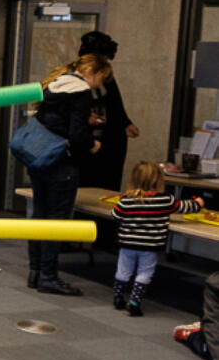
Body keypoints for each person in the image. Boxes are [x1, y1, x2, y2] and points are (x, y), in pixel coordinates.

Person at [26, 53, 112, 296]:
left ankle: (35, 272)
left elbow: (54, 121)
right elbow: (76, 134)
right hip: (61, 162)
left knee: (40, 217)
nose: (99, 86)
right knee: (56, 221)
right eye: (101, 80)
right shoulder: (81, 90)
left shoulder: (55, 84)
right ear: (94, 73)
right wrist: (92, 144)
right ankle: (49, 277)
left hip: (38, 158)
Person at [111, 161, 202, 316]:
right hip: (150, 246)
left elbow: (115, 215)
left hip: (128, 244)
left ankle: (118, 297)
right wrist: (198, 204)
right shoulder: (166, 199)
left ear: (133, 180)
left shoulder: (126, 200)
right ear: (159, 181)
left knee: (123, 271)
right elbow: (183, 207)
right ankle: (134, 301)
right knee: (144, 273)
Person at [77, 31, 139, 190]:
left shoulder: (106, 76)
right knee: (86, 180)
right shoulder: (75, 76)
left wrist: (126, 122)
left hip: (111, 136)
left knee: (110, 181)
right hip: (87, 136)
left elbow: (115, 102)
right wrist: (84, 116)